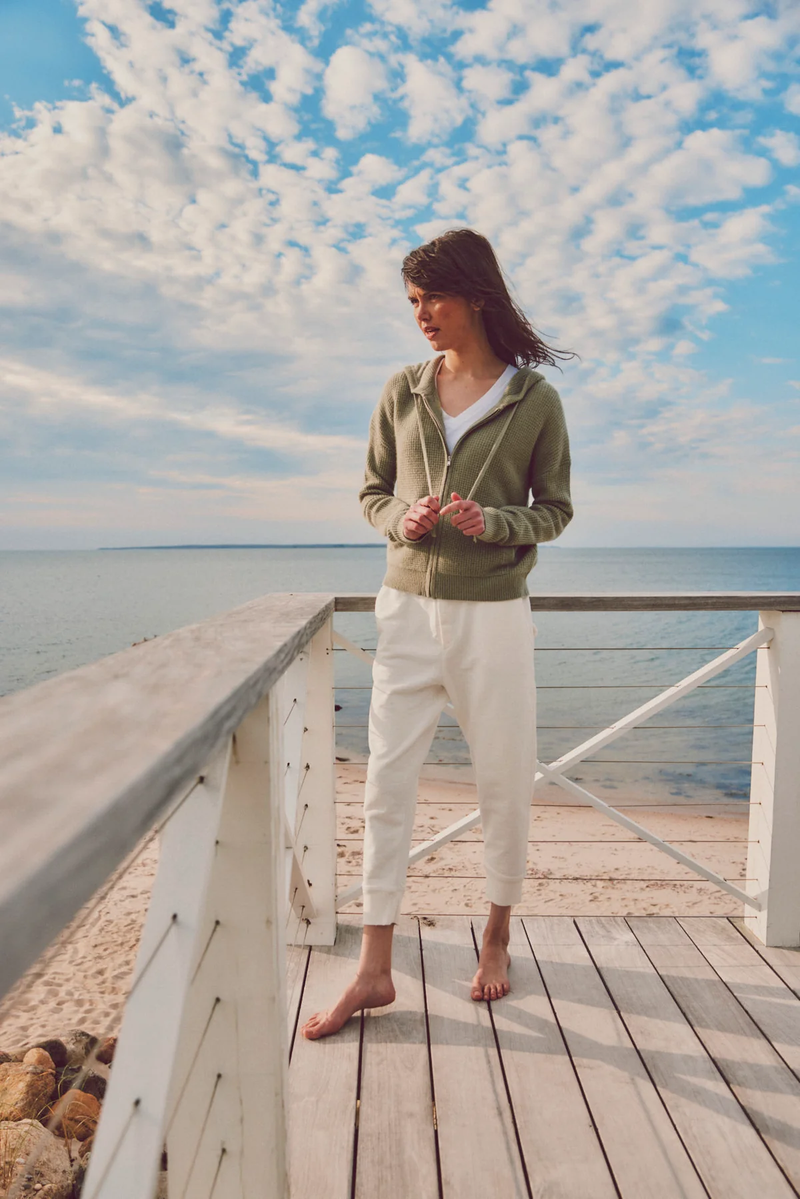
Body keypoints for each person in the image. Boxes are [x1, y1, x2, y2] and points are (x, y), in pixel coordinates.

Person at [301, 228, 574, 1040]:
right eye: (413, 302)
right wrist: (401, 516)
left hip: (493, 615)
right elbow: (372, 492)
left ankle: (496, 934)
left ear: (476, 296)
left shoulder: (535, 402)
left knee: (502, 779)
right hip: (406, 609)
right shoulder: (402, 390)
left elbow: (555, 510)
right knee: (386, 783)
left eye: (434, 298)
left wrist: (493, 521)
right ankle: (375, 966)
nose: (421, 314)